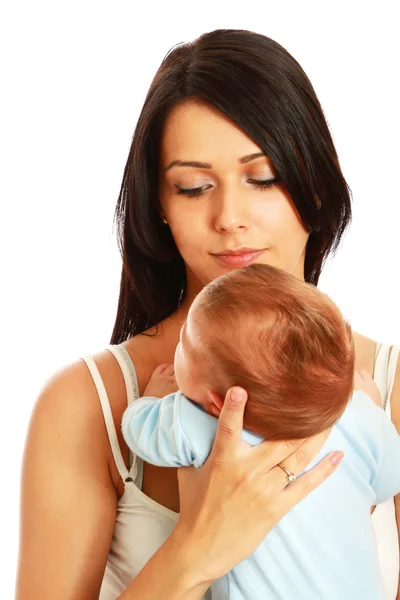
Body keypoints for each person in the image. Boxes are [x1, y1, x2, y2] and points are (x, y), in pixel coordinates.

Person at [15, 29, 400, 600]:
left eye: (263, 178)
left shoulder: (388, 389)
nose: (230, 217)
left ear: (316, 186)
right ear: (160, 207)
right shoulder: (92, 404)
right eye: (194, 188)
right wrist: (197, 549)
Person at [122, 263, 400, 599]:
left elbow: (140, 433)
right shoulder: (359, 416)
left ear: (217, 402)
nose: (177, 347)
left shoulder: (197, 419)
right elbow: (389, 481)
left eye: (184, 345)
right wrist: (369, 409)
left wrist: (151, 398)